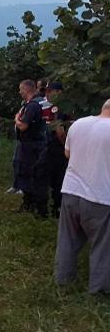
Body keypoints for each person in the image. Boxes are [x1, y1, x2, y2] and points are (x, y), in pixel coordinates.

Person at [54, 99, 110, 294]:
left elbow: (67, 153)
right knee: (102, 245)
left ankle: (63, 280)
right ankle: (99, 290)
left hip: (70, 191)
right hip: (100, 196)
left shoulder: (79, 124)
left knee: (67, 240)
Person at [14, 79, 47, 217]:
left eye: (21, 89)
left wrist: (16, 119)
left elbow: (23, 125)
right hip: (37, 143)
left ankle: (30, 204)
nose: (20, 92)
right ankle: (31, 203)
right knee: (33, 173)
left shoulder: (33, 105)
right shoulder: (41, 102)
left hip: (30, 145)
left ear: (27, 90)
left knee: (27, 172)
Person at [38, 82, 70, 217]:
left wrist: (65, 146)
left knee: (44, 178)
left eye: (50, 91)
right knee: (56, 180)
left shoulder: (59, 108)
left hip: (55, 148)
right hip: (51, 147)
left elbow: (60, 131)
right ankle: (55, 209)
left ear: (58, 92)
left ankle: (44, 211)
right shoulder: (46, 106)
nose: (47, 94)